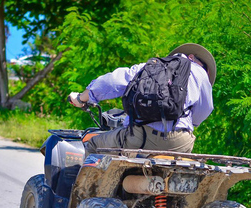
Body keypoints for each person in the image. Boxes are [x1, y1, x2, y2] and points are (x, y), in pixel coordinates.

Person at [69, 43, 216, 155]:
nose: (205, 72)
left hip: (139, 138)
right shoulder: (201, 76)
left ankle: (84, 194)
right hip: (179, 142)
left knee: (93, 145)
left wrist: (82, 98)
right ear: (191, 57)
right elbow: (203, 113)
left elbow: (112, 82)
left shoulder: (152, 66)